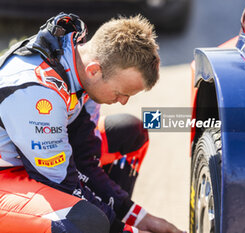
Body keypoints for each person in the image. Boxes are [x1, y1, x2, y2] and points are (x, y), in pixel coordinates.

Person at [0, 13, 184, 233]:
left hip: (33, 163)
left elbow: (85, 160)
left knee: (129, 133)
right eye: (120, 92)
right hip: (12, 176)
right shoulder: (38, 94)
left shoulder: (82, 70)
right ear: (94, 71)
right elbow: (60, 182)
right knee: (85, 221)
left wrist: (142, 218)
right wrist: (123, 229)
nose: (123, 101)